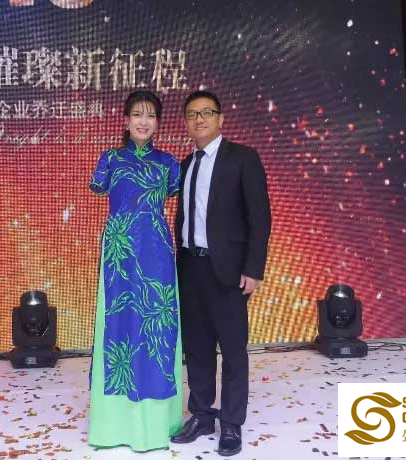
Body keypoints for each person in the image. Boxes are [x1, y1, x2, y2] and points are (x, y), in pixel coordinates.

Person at [171, 91, 271, 457]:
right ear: (186, 122)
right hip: (190, 267)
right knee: (197, 348)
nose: (199, 119)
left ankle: (231, 422)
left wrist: (253, 268)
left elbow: (260, 218)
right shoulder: (184, 164)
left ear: (221, 119)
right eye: (192, 114)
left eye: (207, 112)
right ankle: (201, 415)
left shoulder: (242, 158)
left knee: (232, 349)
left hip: (228, 270)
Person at [87, 90, 182, 452]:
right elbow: (100, 190)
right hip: (119, 254)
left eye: (151, 115)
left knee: (157, 329)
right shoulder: (110, 159)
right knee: (119, 327)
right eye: (138, 114)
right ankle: (113, 425)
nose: (144, 121)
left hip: (156, 252)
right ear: (125, 120)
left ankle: (157, 422)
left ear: (158, 122)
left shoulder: (169, 164)